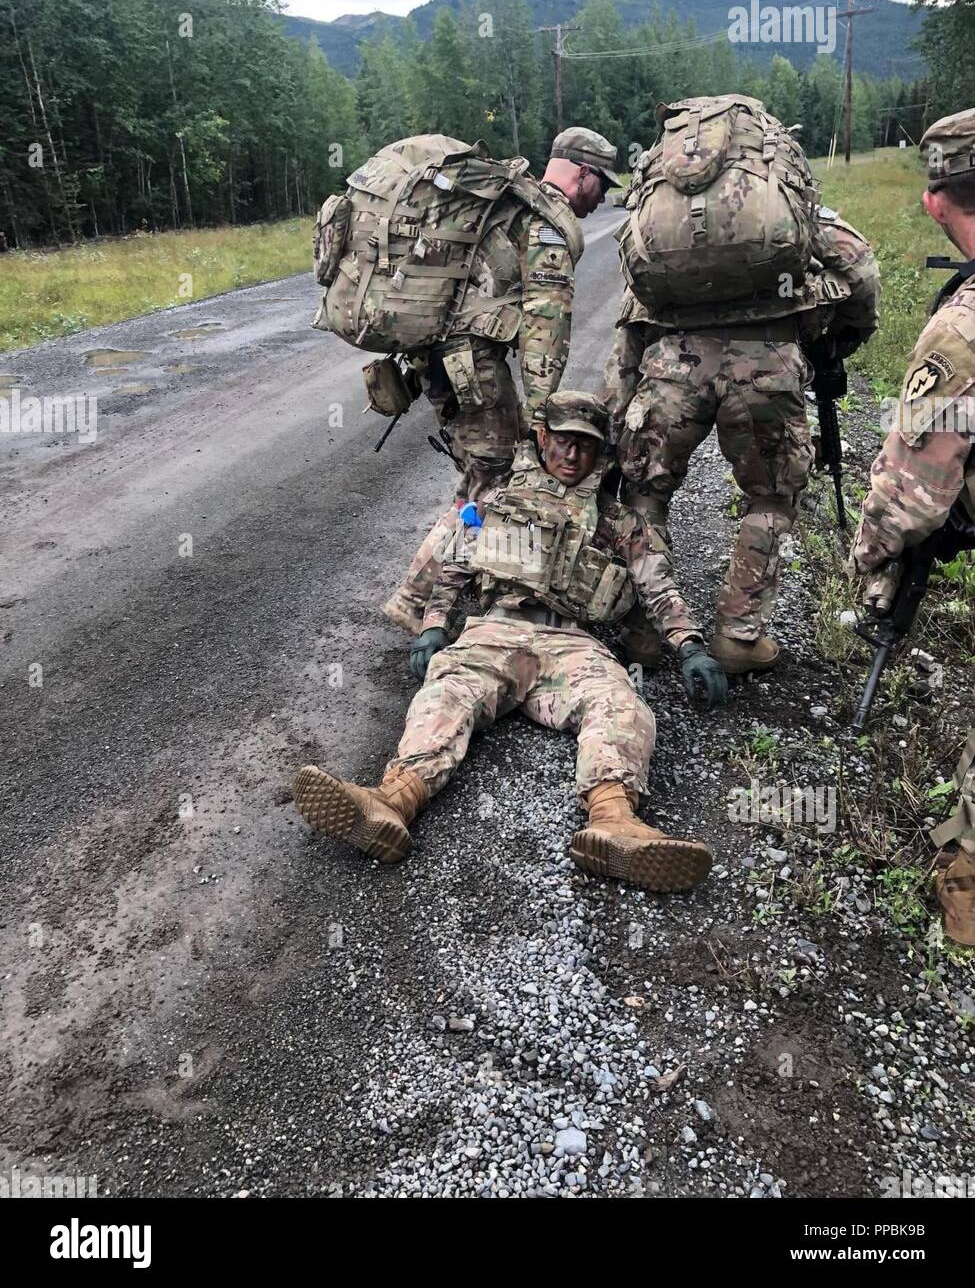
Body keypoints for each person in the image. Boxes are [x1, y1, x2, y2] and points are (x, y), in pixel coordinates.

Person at [295, 392, 726, 891]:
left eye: (585, 447)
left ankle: (614, 821)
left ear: (600, 453)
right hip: (495, 629)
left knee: (619, 703)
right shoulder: (497, 498)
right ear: (542, 438)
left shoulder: (617, 521)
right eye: (563, 442)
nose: (572, 456)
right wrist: (434, 623)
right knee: (447, 692)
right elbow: (456, 561)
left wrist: (690, 645)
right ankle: (392, 801)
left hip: (571, 642)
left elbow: (657, 586)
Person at [604, 98, 879, 675]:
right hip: (766, 365)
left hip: (671, 367)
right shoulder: (782, 210)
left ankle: (648, 634)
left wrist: (620, 399)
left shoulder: (666, 227)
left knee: (646, 494)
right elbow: (859, 269)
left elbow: (631, 317)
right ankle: (737, 634)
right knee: (771, 496)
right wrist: (841, 341)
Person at [383, 127, 622, 636]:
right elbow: (544, 331)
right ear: (581, 173)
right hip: (472, 366)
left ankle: (436, 589)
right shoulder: (546, 225)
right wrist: (542, 420)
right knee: (496, 479)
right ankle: (415, 599)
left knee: (477, 475)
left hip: (441, 360)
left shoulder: (507, 205)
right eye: (601, 184)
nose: (602, 198)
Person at [850, 108, 975, 947]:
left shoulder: (961, 329)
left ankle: (965, 883)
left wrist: (865, 563)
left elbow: (909, 496)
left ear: (934, 202)